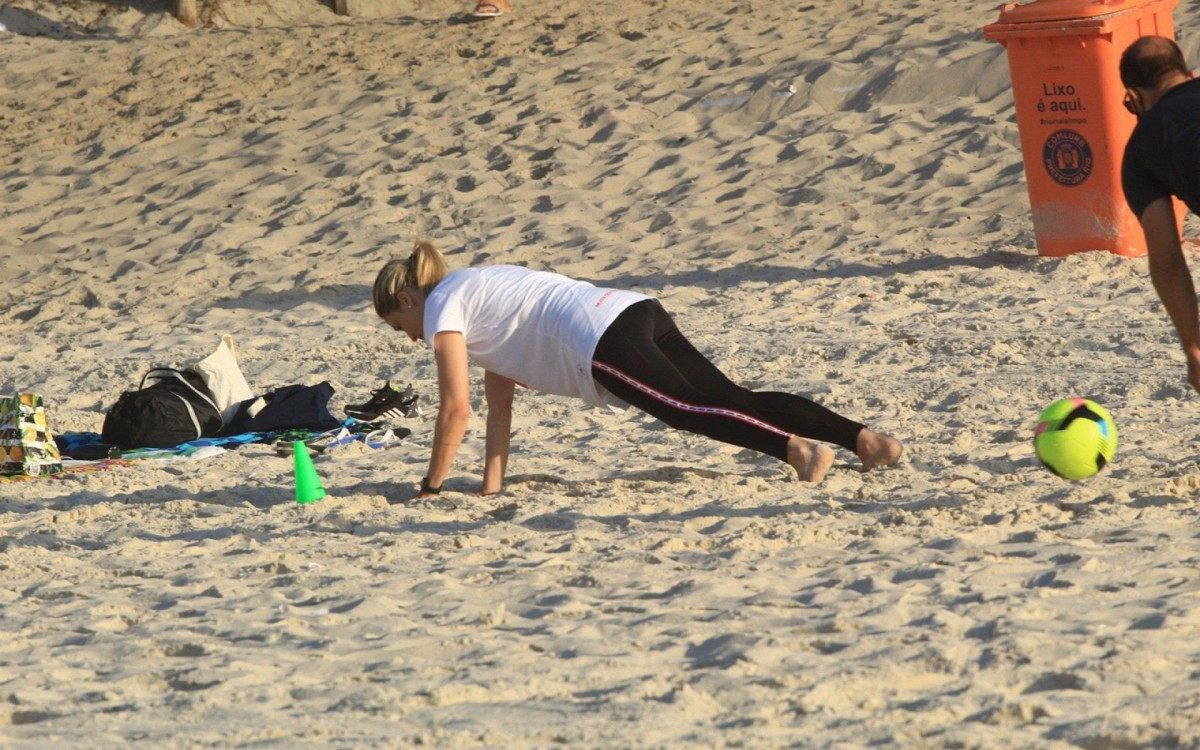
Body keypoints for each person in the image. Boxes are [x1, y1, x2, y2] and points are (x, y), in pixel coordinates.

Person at [372, 240, 903, 497]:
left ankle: (799, 451)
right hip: (634, 309)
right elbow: (497, 405)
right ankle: (866, 442)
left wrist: (430, 488)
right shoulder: (477, 291)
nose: (411, 339)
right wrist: (492, 486)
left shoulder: (443, 306)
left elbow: (455, 411)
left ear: (406, 299)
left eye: (401, 326)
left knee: (688, 410)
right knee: (732, 397)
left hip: (598, 340)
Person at [1119, 36, 1200, 391]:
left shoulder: (1140, 150)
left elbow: (1167, 262)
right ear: (1190, 73)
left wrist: (1194, 349)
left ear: (1133, 99)